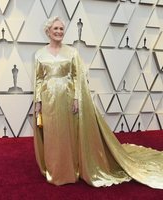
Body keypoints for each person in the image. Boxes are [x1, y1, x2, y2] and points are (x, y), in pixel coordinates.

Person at [33, 16, 163, 189]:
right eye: (55, 29)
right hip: (48, 99)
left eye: (61, 29)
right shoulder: (39, 54)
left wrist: (77, 98)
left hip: (67, 98)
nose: (58, 32)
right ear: (48, 31)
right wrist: (38, 101)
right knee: (52, 135)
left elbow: (78, 76)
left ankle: (72, 169)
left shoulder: (72, 52)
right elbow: (39, 79)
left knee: (69, 134)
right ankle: (56, 169)